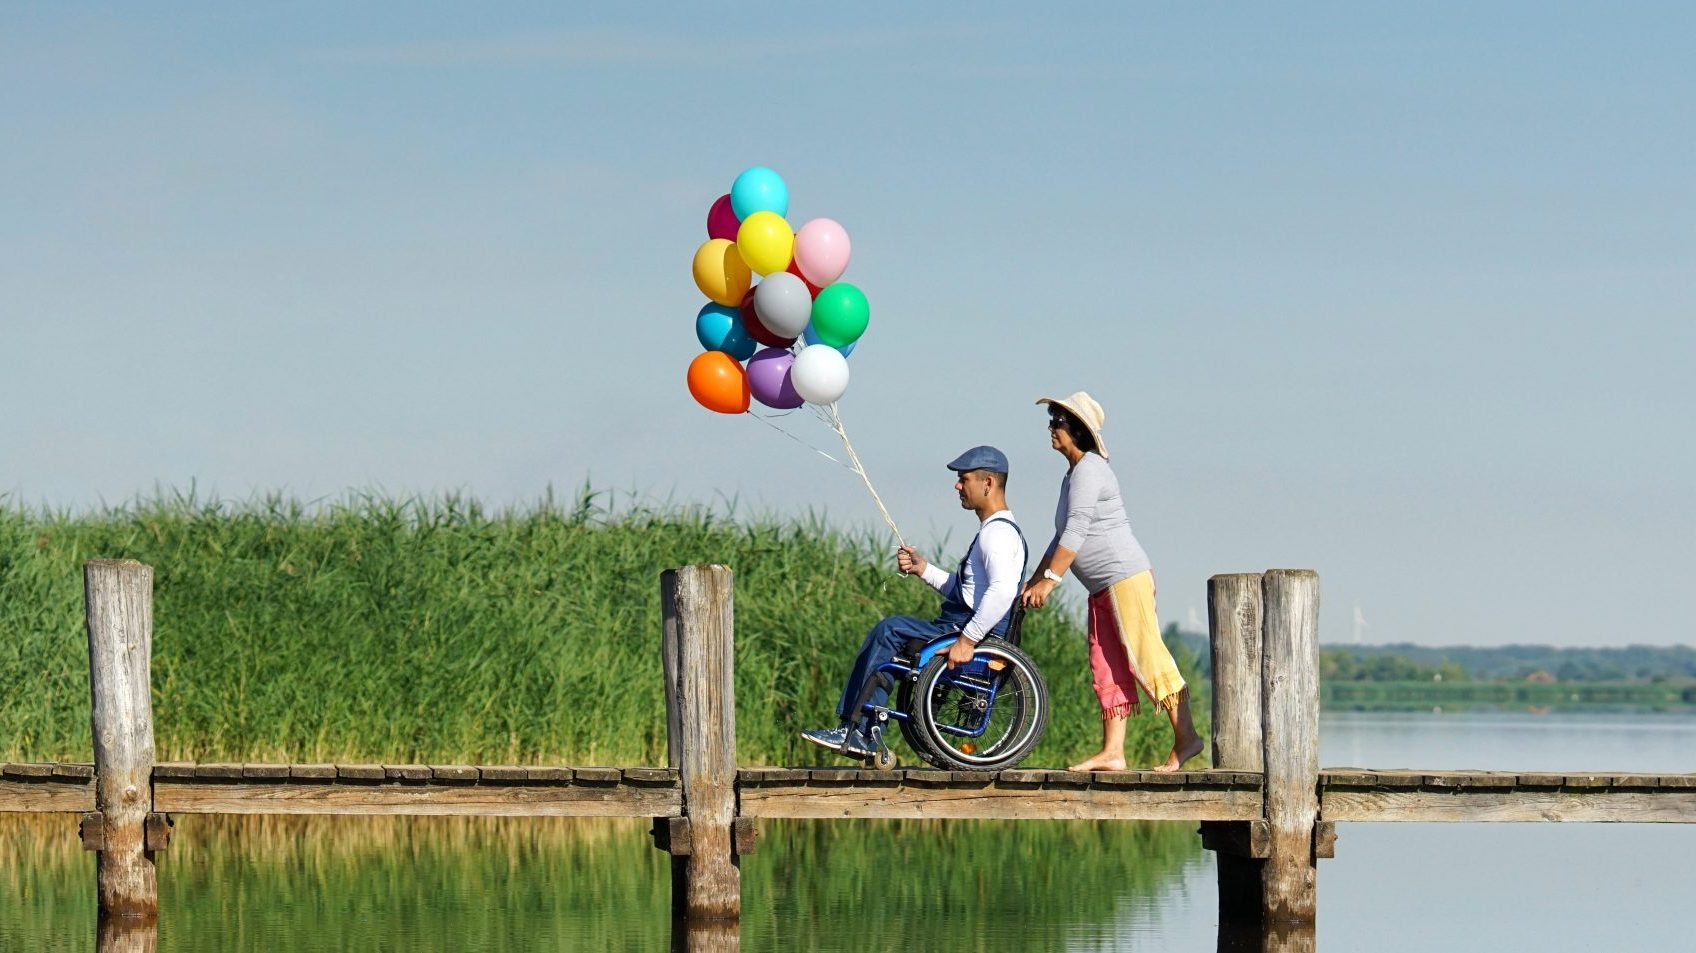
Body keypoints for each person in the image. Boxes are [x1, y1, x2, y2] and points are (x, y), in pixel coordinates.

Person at [802, 445, 1028, 758]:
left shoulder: (997, 535)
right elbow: (964, 593)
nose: (957, 486)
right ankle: (859, 728)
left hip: (971, 639)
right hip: (958, 626)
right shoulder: (993, 532)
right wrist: (923, 569)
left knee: (889, 631)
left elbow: (1002, 593)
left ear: (988, 483)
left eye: (964, 480)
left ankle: (861, 730)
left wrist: (967, 640)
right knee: (891, 631)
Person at [1020, 391, 1203, 773]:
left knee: (1146, 656)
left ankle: (1187, 738)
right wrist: (1034, 580)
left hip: (1124, 577)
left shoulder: (1091, 470)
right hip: (1101, 587)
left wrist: (1050, 582)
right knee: (1107, 664)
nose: (1051, 428)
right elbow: (1059, 538)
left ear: (1079, 431)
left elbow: (1077, 532)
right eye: (1052, 421)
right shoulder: (1072, 475)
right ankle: (1114, 752)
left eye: (1058, 422)